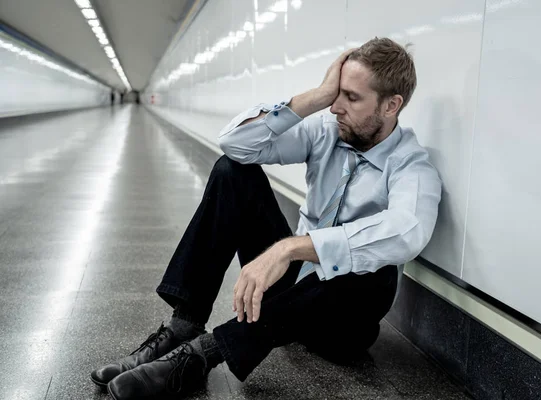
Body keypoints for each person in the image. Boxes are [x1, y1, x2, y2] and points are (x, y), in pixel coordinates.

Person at [91, 37, 442, 400]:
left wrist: (290, 249)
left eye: (351, 98)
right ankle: (184, 327)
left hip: (339, 323)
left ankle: (201, 356)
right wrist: (316, 96)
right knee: (233, 172)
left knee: (376, 272)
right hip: (286, 291)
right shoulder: (327, 131)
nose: (337, 106)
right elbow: (235, 143)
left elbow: (407, 232)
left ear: (391, 105)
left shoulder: (411, 164)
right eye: (337, 92)